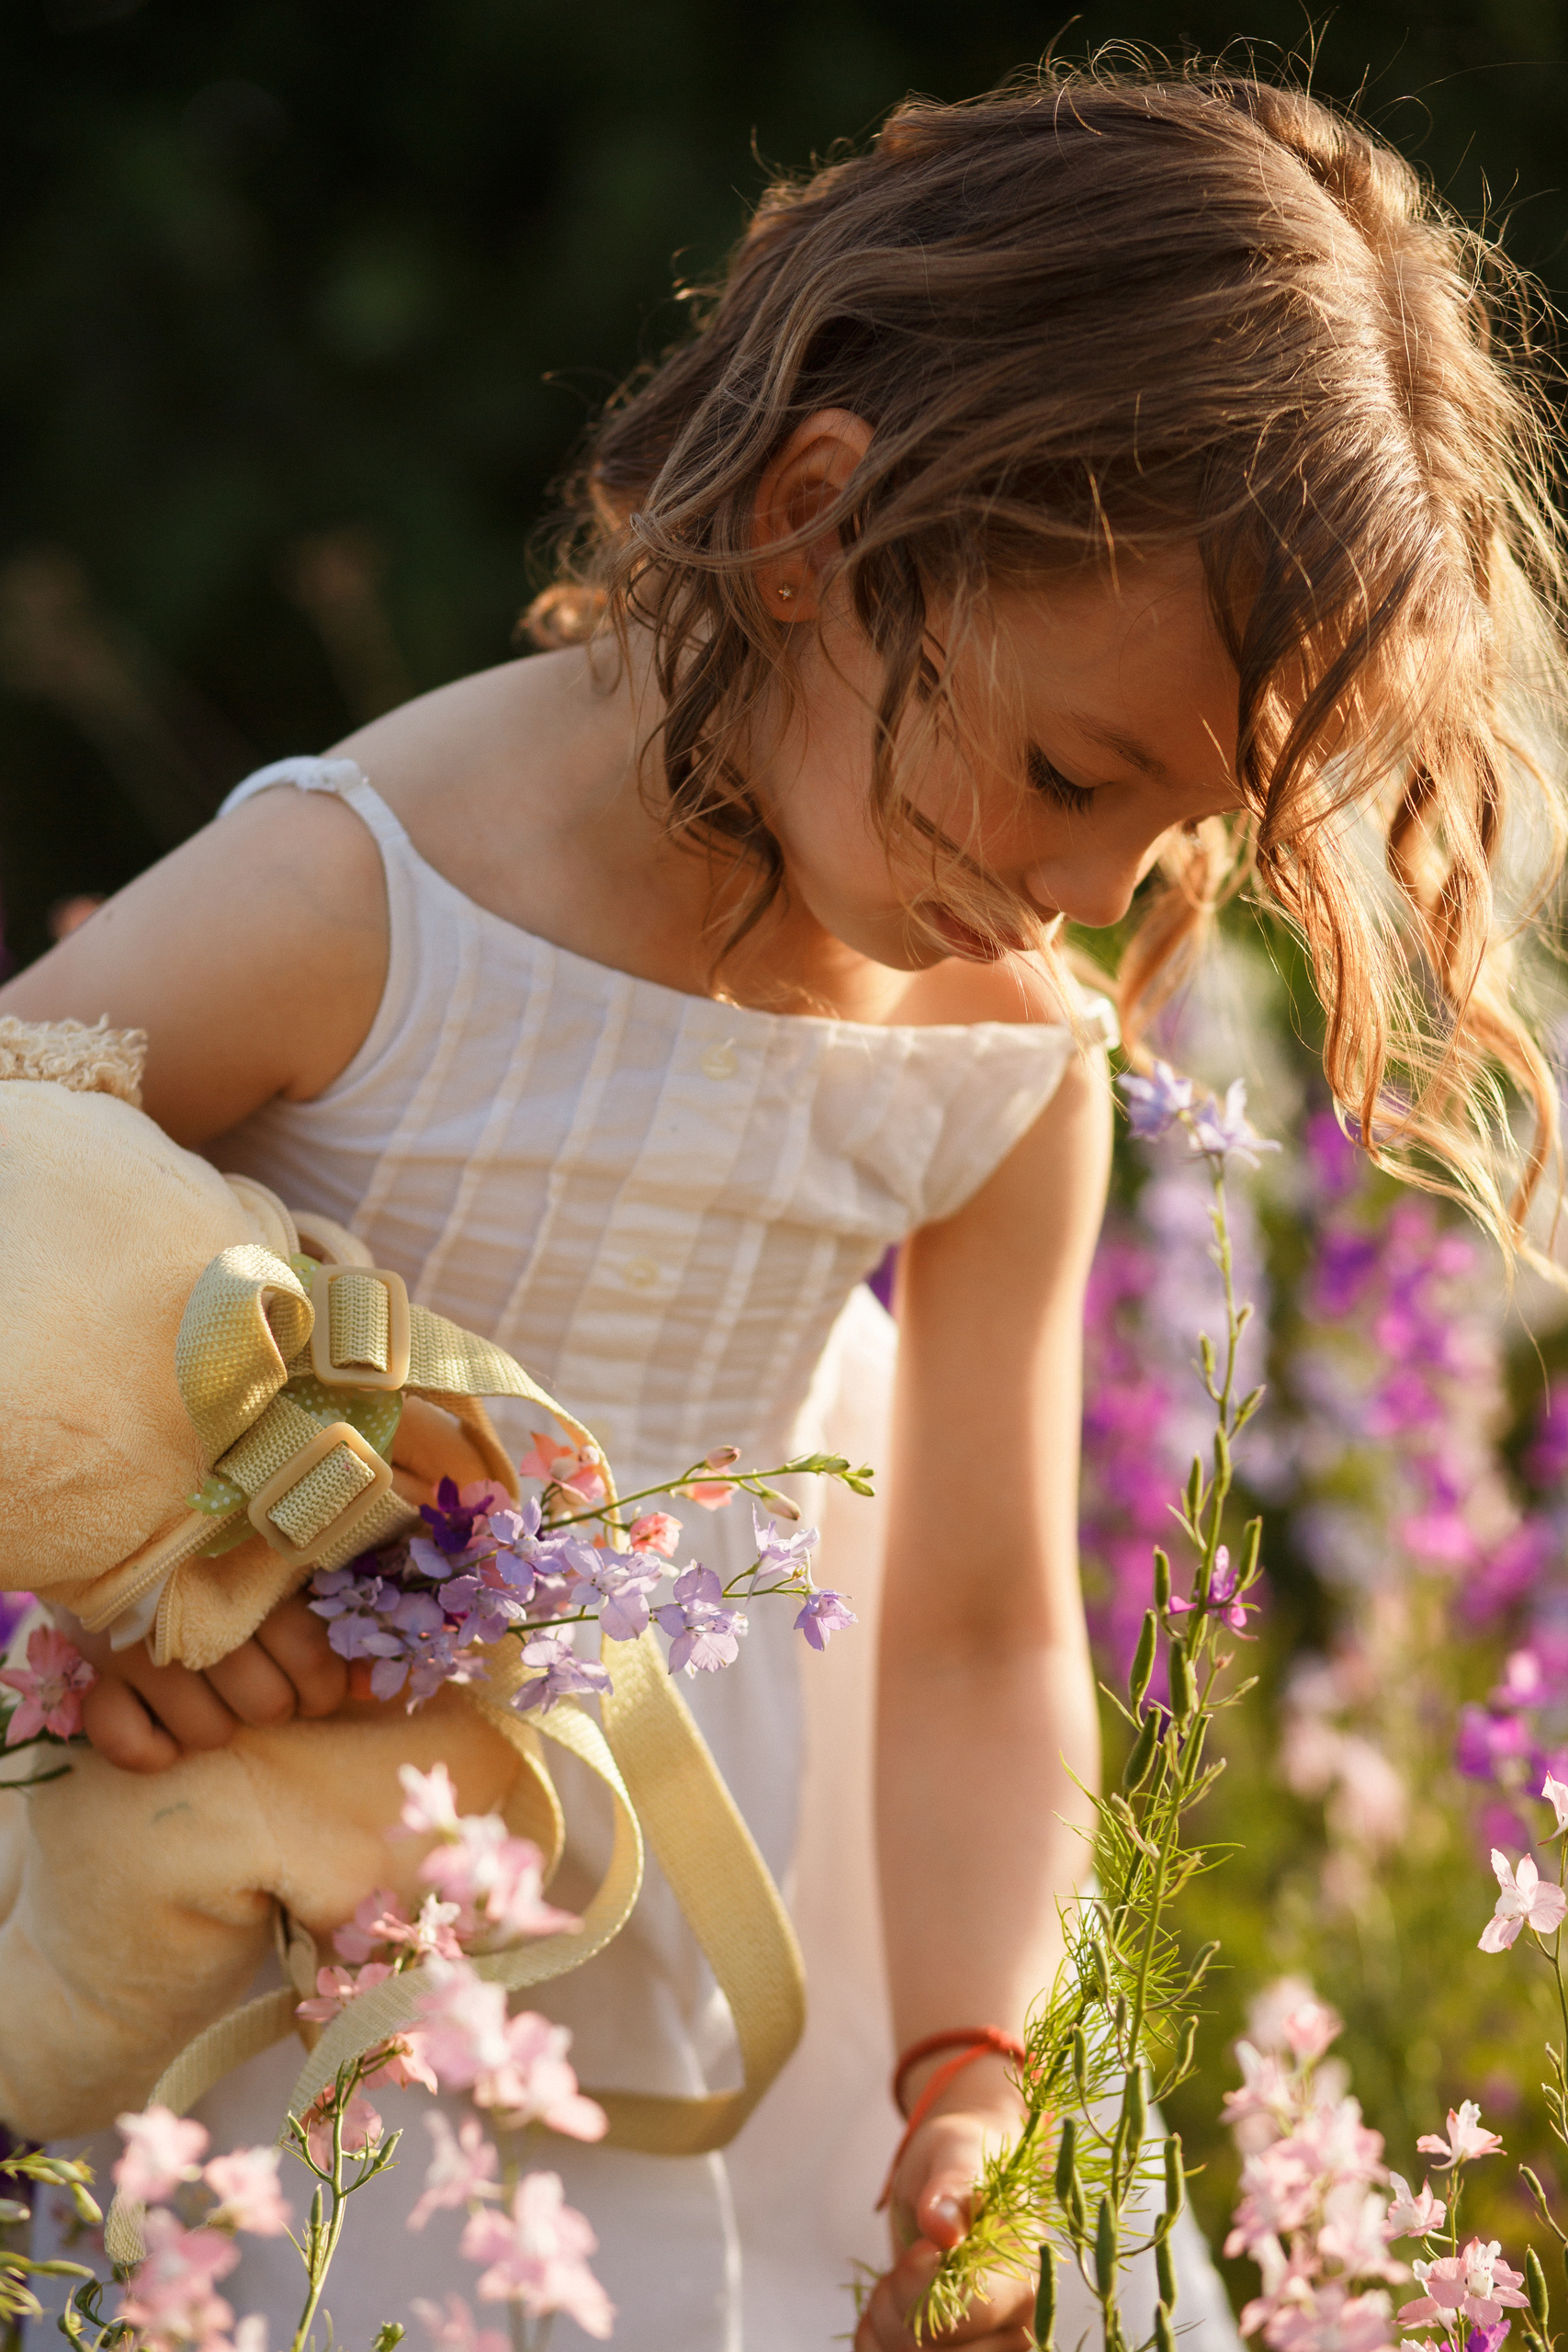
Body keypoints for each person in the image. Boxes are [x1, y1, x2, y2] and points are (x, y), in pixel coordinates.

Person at [7, 60, 1566, 2352]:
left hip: (775, 1909)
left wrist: (964, 2066)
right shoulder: (365, 900)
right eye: (1061, 769)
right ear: (810, 525)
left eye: (1157, 842)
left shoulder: (1002, 1051)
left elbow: (967, 1626)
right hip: (290, 1903)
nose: (1072, 888)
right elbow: (22, 1205)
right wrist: (134, 1597)